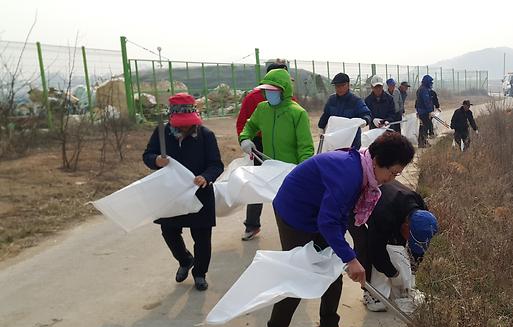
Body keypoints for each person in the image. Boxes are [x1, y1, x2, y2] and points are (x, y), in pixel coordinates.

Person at [265, 132, 416, 327]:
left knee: (332, 270)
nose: (392, 178)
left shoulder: (365, 169)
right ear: (377, 162)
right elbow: (328, 221)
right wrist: (350, 257)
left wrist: (348, 256)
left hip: (319, 211)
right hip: (295, 213)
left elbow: (338, 214)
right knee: (300, 275)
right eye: (393, 172)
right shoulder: (349, 174)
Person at [143, 93, 224, 291]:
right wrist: (156, 161)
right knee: (169, 231)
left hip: (200, 193)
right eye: (181, 124)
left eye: (188, 124)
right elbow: (147, 155)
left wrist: (205, 176)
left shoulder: (206, 136)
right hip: (171, 194)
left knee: (202, 237)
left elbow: (216, 165)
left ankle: (200, 274)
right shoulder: (161, 133)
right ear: (172, 119)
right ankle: (185, 259)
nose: (185, 128)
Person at [238, 68, 314, 240]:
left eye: (273, 91)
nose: (269, 94)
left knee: (293, 210)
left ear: (284, 90)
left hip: (291, 171)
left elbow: (305, 147)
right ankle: (288, 243)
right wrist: (245, 139)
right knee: (278, 208)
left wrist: (303, 171)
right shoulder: (262, 109)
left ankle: (301, 243)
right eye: (267, 90)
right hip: (270, 169)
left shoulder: (297, 113)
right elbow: (250, 126)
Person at [349, 180, 438, 312]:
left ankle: (396, 289)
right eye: (410, 236)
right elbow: (376, 252)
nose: (410, 240)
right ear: (406, 225)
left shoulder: (422, 214)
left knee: (396, 246)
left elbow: (420, 247)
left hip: (390, 204)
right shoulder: (384, 214)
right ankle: (370, 291)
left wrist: (412, 271)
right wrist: (394, 274)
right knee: (364, 244)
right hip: (355, 202)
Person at [318, 73, 372, 148]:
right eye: (337, 86)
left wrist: (365, 121)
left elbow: (367, 114)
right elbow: (326, 115)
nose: (339, 88)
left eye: (342, 85)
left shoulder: (355, 101)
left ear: (348, 85)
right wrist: (321, 127)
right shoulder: (331, 100)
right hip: (335, 140)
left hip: (352, 142)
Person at [414, 75, 435, 148]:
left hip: (421, 111)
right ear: (427, 82)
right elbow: (426, 101)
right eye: (430, 82)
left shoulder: (421, 89)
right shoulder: (424, 90)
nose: (431, 84)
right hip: (424, 112)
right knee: (424, 127)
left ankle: (422, 142)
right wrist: (430, 111)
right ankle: (422, 142)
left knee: (423, 127)